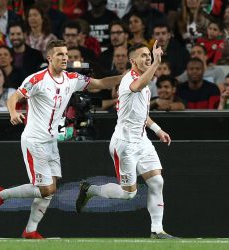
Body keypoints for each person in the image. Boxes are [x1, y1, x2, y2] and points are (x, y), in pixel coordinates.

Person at [0, 40, 123, 239]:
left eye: (66, 54)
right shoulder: (37, 79)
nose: (65, 58)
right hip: (34, 139)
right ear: (49, 57)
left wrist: (125, 78)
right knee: (45, 188)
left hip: (51, 141)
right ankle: (0, 195)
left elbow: (100, 84)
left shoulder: (71, 78)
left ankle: (30, 230)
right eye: (59, 54)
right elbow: (13, 97)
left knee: (51, 187)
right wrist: (13, 112)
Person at [75, 42, 176, 239]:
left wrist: (157, 129)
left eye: (149, 55)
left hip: (142, 140)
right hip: (125, 144)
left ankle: (157, 230)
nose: (147, 58)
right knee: (128, 194)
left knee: (157, 181)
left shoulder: (144, 83)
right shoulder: (130, 79)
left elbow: (140, 114)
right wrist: (157, 62)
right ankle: (90, 190)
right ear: (132, 61)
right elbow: (138, 85)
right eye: (143, 56)